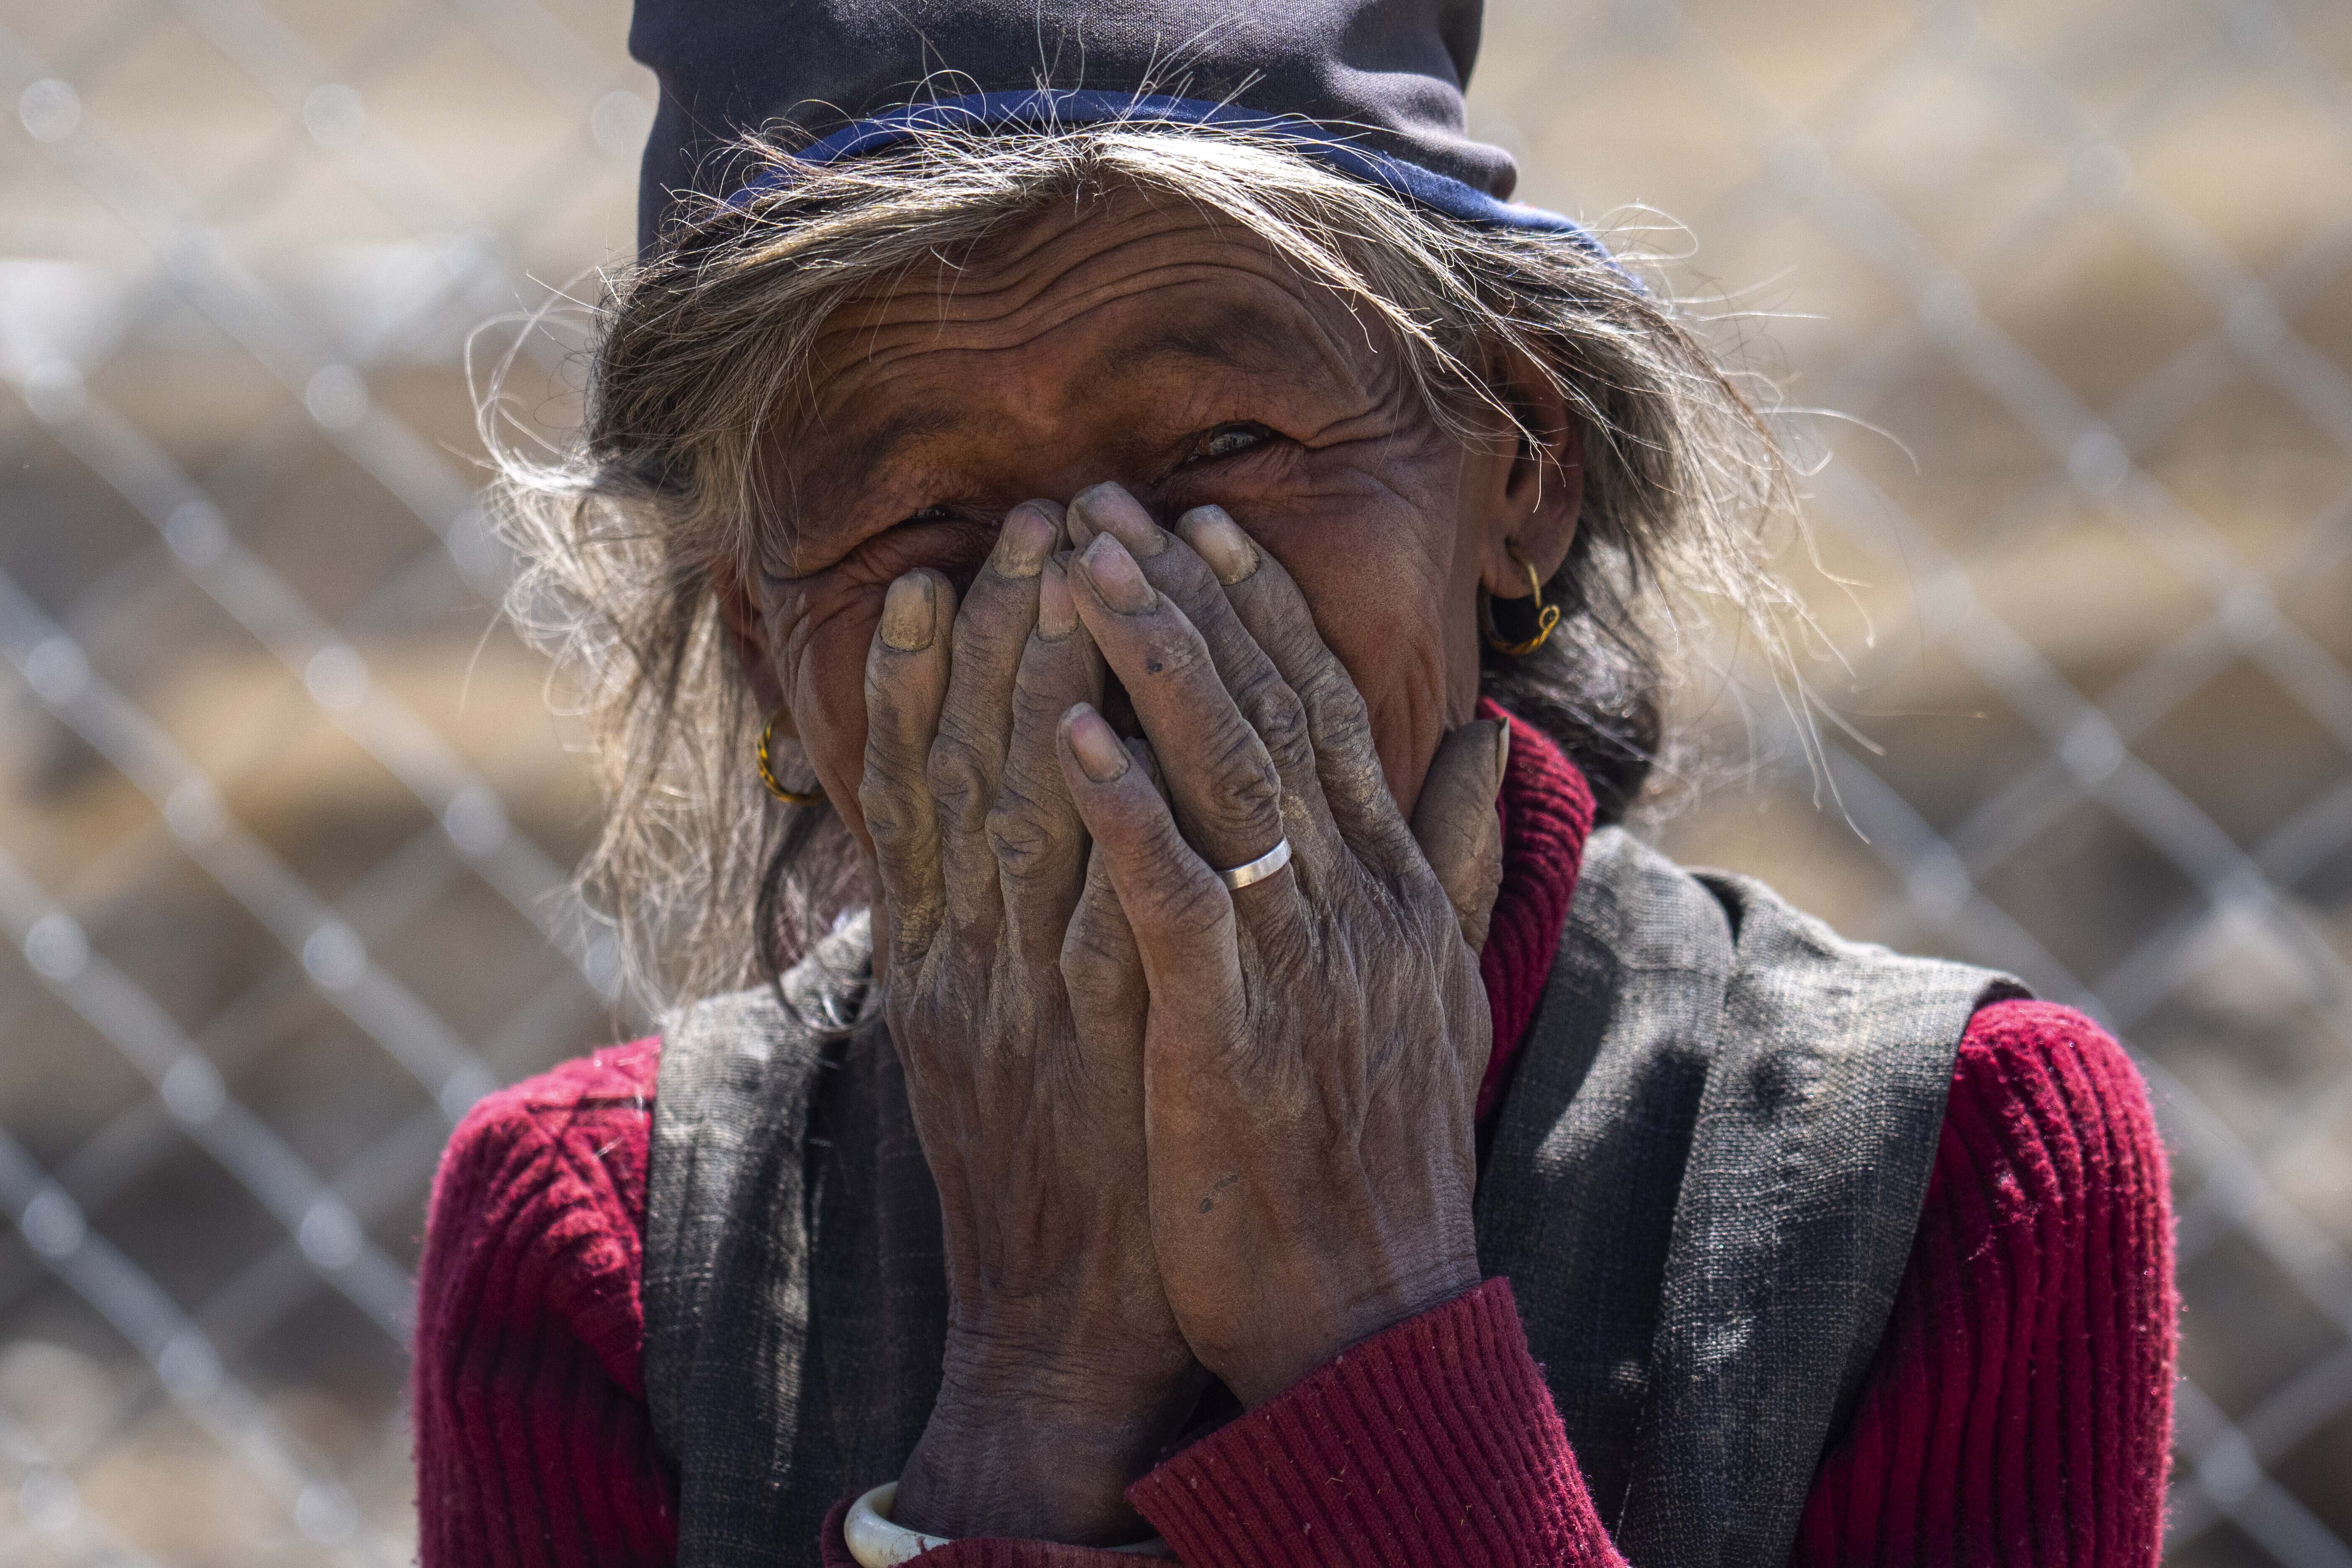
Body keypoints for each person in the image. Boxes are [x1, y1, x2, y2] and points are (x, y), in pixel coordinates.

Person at [413, 3, 2177, 1564]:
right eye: (920, 517)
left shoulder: (1951, 1172)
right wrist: (1030, 1391)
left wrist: (1368, 1319)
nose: (1103, 602)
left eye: (1225, 446)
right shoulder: (600, 1262)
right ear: (760, 645)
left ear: (1520, 471)